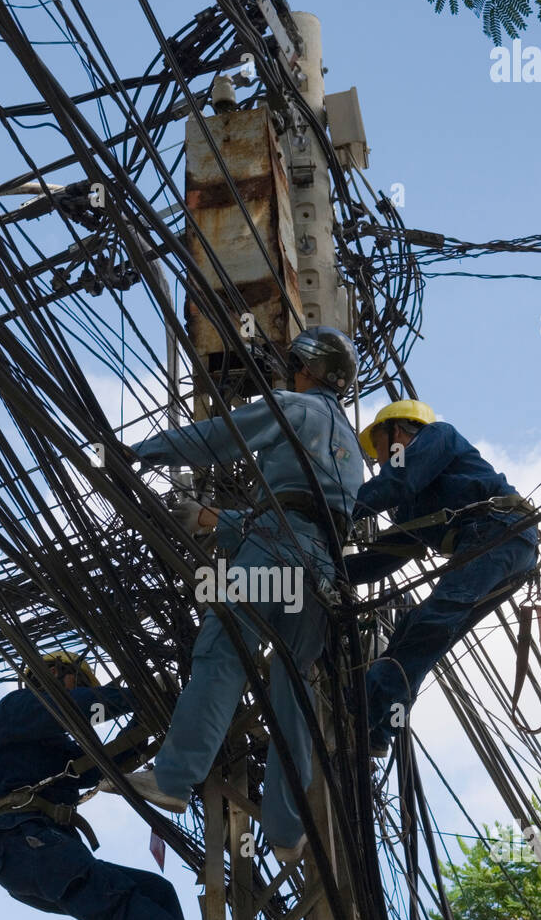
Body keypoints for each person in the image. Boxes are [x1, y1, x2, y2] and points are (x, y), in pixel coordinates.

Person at [116, 327, 364, 863]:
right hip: (324, 572)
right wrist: (218, 520)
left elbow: (218, 438)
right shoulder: (353, 450)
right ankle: (286, 829)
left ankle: (174, 779)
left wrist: (141, 451)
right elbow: (304, 515)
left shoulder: (296, 408)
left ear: (303, 365)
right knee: (294, 687)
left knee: (224, 650)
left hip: (275, 549)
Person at [0, 651, 256, 920]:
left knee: (156, 892)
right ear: (52, 673)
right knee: (111, 897)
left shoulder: (53, 751)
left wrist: (149, 721)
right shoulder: (16, 709)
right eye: (80, 682)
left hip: (41, 848)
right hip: (22, 839)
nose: (83, 691)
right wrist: (138, 694)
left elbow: (103, 763)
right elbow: (73, 708)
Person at [347, 400, 540, 755]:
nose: (379, 459)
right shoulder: (411, 504)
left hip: (500, 531)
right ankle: (382, 728)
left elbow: (396, 481)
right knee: (419, 632)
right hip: (502, 544)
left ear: (400, 431)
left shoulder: (438, 436)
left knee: (431, 624)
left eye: (380, 446)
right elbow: (386, 557)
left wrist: (340, 513)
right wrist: (332, 571)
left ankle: (360, 709)